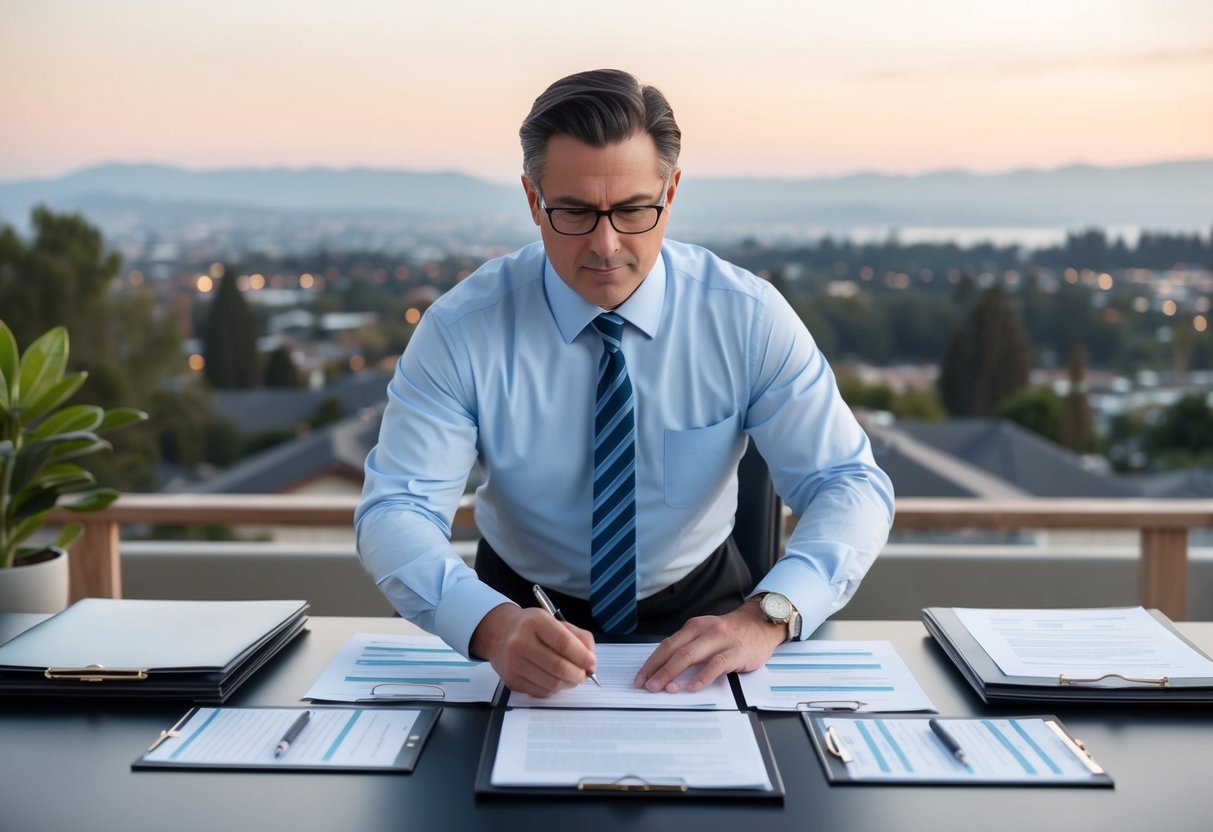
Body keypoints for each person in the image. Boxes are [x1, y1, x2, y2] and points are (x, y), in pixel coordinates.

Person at [356, 68, 894, 698]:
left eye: (634, 210)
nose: (606, 246)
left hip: (709, 614)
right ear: (534, 201)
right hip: (515, 611)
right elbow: (398, 509)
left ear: (670, 194)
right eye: (576, 213)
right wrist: (491, 626)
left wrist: (768, 615)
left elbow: (847, 481)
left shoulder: (747, 317)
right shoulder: (461, 329)